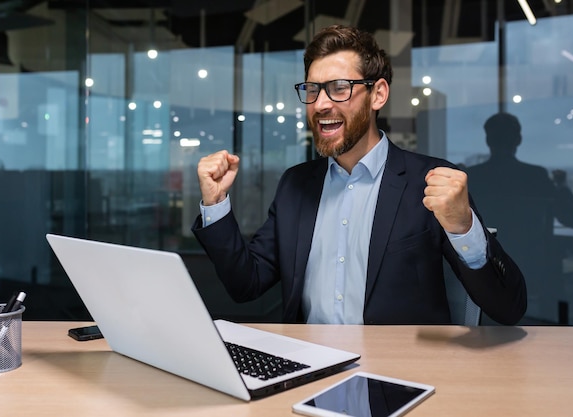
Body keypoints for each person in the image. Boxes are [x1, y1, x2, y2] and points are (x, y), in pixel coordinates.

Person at [192, 25, 526, 325]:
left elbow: (508, 309)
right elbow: (246, 284)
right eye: (312, 89)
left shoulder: (429, 181)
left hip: (398, 377)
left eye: (339, 88)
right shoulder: (296, 185)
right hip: (308, 370)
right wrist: (216, 203)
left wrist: (463, 227)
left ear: (378, 94)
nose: (321, 104)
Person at [466, 112, 573, 321]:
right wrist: (562, 186)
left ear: (488, 140)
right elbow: (571, 219)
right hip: (534, 263)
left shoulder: (473, 177)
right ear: (518, 140)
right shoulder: (534, 176)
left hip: (486, 264)